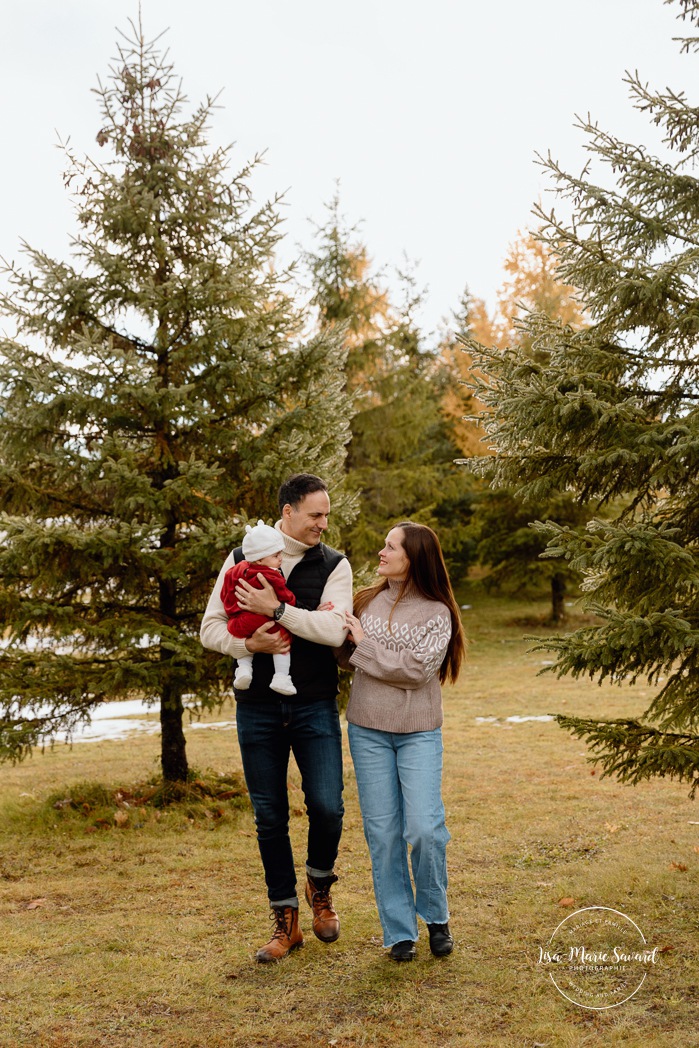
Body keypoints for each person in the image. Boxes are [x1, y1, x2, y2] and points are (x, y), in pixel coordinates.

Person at [200, 473, 353, 963]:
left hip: (313, 703)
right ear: (287, 511)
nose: (323, 524)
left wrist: (277, 612)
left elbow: (332, 632)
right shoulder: (241, 557)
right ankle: (285, 920)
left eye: (326, 515)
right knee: (269, 817)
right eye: (315, 515)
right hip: (258, 710)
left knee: (327, 805)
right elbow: (210, 627)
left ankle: (319, 885)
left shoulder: (335, 565)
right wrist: (247, 643)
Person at [342, 521, 466, 962]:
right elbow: (344, 652)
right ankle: (398, 931)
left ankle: (435, 914)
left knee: (424, 829)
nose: (382, 552)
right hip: (367, 730)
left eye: (391, 547)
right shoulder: (365, 600)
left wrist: (365, 646)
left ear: (414, 557)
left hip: (418, 733)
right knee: (384, 834)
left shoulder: (438, 613)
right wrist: (336, 627)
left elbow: (416, 671)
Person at [221, 521, 298, 697]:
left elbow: (225, 593)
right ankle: (281, 676)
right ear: (259, 559)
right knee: (282, 639)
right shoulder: (271, 575)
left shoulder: (235, 570)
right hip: (264, 620)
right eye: (276, 555)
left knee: (245, 639)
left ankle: (244, 670)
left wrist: (234, 610)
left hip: (239, 622)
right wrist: (289, 601)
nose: (281, 558)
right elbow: (287, 599)